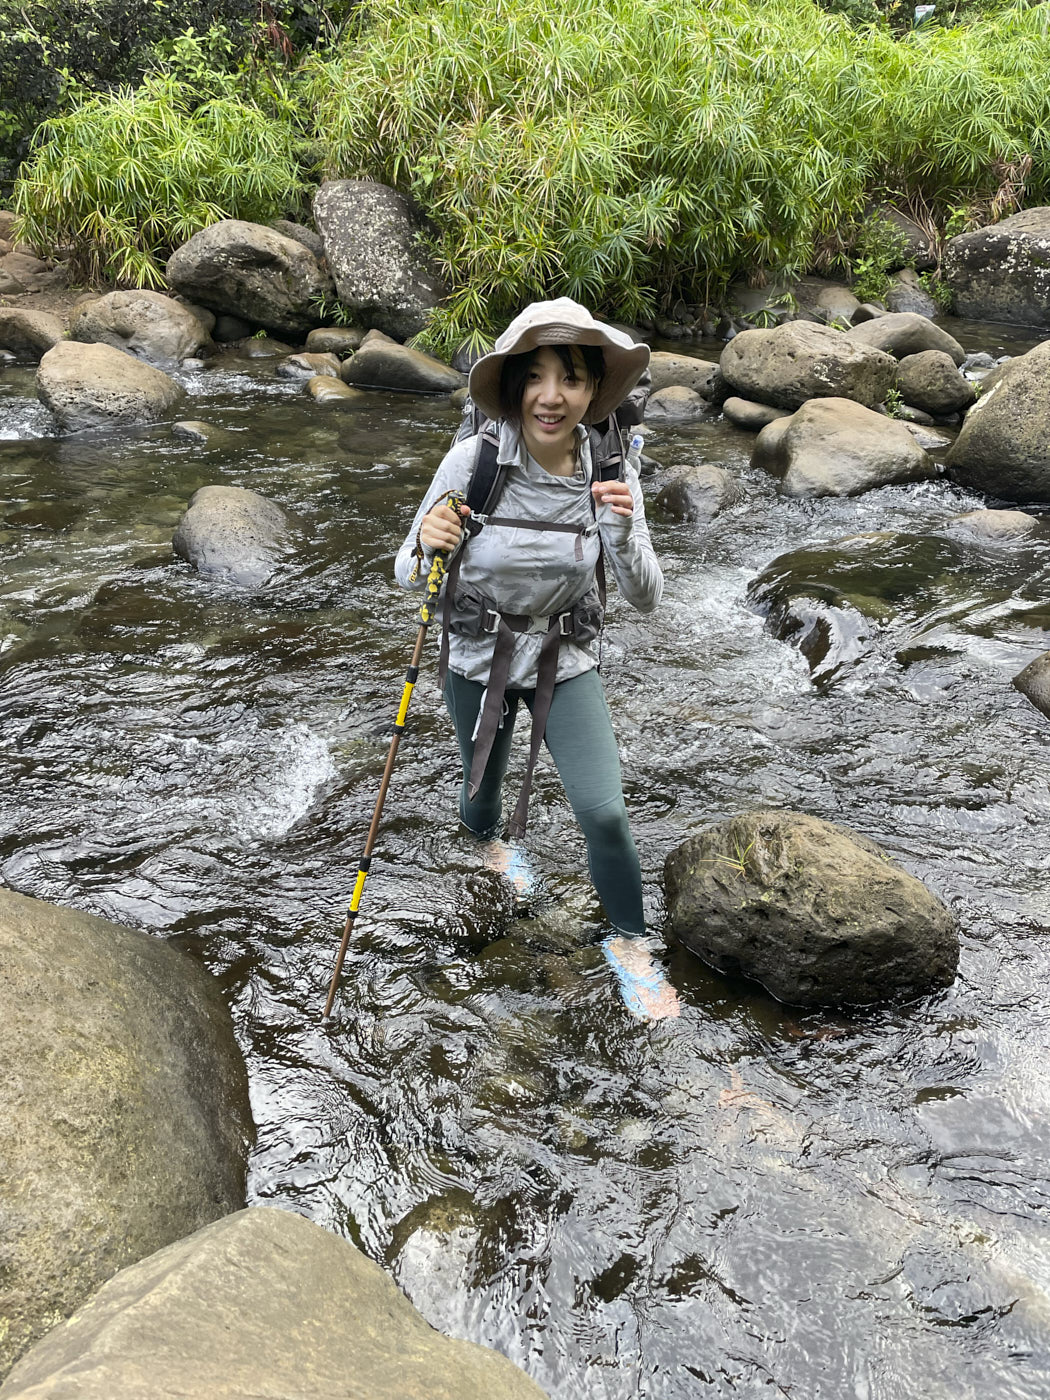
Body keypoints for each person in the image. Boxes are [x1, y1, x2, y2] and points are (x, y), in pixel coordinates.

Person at [395, 298, 679, 1020]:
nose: (551, 397)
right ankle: (494, 853)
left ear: (593, 391)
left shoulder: (611, 467)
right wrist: (426, 541)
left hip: (567, 656)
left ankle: (630, 943)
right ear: (515, 385)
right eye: (536, 378)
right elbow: (404, 569)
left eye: (571, 378)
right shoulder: (475, 462)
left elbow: (647, 596)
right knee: (480, 796)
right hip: (476, 656)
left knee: (604, 814)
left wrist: (619, 531)